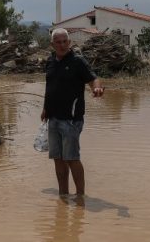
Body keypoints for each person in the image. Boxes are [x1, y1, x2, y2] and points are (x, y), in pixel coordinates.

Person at [41, 28, 104, 197]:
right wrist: (45, 108)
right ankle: (63, 195)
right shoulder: (50, 61)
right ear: (52, 44)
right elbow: (50, 87)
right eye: (58, 42)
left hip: (71, 120)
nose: (62, 45)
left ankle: (80, 196)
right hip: (53, 118)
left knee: (71, 158)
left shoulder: (78, 61)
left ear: (69, 43)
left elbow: (93, 79)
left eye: (64, 41)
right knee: (58, 158)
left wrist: (97, 88)